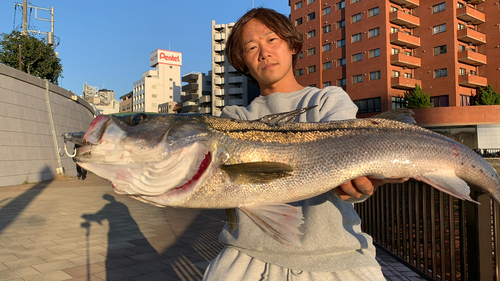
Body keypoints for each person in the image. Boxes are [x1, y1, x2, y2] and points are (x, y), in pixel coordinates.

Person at [202, 8, 406, 281]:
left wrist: (369, 178)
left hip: (339, 262)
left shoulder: (328, 101)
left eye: (271, 40)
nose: (264, 52)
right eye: (251, 47)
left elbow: (351, 152)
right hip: (247, 261)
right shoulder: (234, 119)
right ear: (243, 63)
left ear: (292, 44)